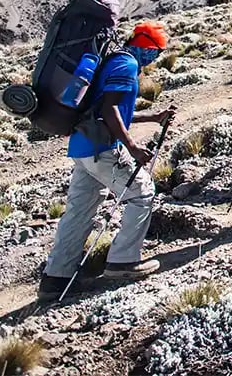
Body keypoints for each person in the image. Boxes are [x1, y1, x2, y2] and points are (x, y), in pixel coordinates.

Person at [39, 21, 175, 301]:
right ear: (147, 47)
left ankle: (55, 278)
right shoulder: (126, 66)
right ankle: (123, 261)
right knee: (142, 193)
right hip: (102, 147)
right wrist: (133, 147)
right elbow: (109, 109)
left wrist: (153, 117)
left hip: (82, 146)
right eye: (157, 52)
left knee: (78, 212)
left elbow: (108, 108)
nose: (156, 59)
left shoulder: (110, 59)